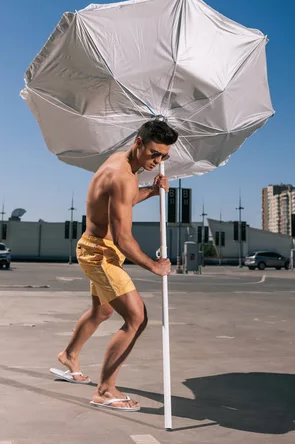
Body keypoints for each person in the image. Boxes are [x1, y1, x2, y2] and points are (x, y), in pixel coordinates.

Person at [55, 119, 178, 411]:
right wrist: (154, 265)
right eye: (153, 154)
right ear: (139, 142)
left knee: (103, 310)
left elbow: (121, 202)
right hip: (101, 252)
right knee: (137, 318)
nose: (157, 160)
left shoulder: (119, 164)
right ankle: (105, 390)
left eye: (163, 157)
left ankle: (69, 355)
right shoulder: (124, 176)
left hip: (95, 247)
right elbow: (124, 239)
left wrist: (150, 189)